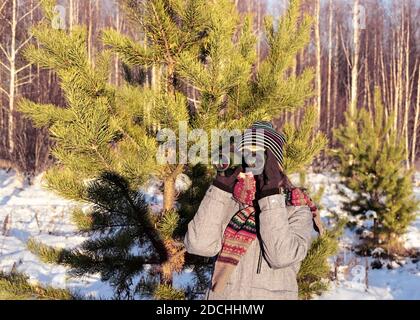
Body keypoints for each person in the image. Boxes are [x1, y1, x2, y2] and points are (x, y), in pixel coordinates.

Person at [184, 121, 322, 300]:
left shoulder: (296, 207)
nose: (251, 165)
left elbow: (281, 257)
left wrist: (271, 195)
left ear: (275, 166)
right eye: (245, 156)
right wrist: (220, 187)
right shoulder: (228, 200)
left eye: (258, 158)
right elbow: (198, 245)